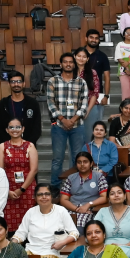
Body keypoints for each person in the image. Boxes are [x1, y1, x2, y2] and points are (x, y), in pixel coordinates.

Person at [11, 185, 80, 258]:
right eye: (40, 194)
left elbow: (74, 233)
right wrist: (11, 245)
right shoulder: (31, 212)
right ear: (35, 197)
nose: (44, 197)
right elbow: (21, 233)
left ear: (51, 196)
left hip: (52, 252)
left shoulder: (61, 211)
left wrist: (63, 242)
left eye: (47, 194)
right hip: (31, 251)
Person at [47, 52, 89, 188]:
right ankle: (55, 187)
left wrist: (73, 119)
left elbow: (84, 104)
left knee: (78, 159)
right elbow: (50, 103)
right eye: (65, 62)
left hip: (77, 126)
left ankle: (76, 187)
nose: (68, 64)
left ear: (74, 64)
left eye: (71, 62)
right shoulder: (52, 81)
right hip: (58, 126)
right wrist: (63, 119)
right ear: (61, 64)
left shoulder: (81, 82)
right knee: (57, 159)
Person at [0, 119, 38, 232]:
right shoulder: (2, 147)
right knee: (9, 221)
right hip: (8, 189)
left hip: (27, 188)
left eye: (18, 127)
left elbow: (34, 170)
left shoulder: (30, 146)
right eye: (11, 127)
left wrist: (22, 189)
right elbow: (0, 172)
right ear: (7, 130)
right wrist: (7, 191)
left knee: (28, 221)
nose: (15, 130)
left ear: (23, 129)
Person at [60, 151, 108, 230]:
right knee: (60, 226)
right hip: (72, 208)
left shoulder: (99, 177)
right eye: (79, 162)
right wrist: (77, 209)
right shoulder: (71, 178)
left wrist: (88, 205)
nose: (82, 164)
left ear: (91, 163)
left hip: (90, 210)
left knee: (79, 226)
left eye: (85, 162)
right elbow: (63, 199)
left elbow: (104, 197)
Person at [0, 70, 42, 146]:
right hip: (8, 146)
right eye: (13, 82)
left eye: (19, 81)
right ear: (9, 84)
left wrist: (26, 144)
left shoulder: (32, 103)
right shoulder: (3, 103)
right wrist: (9, 144)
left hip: (28, 146)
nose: (16, 84)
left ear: (24, 84)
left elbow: (37, 128)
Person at [73, 47, 104, 143]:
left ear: (87, 59)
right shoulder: (69, 73)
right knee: (74, 139)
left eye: (84, 57)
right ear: (74, 57)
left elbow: (95, 93)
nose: (81, 58)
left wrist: (87, 111)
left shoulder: (92, 72)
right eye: (79, 56)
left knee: (89, 137)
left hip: (90, 106)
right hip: (72, 107)